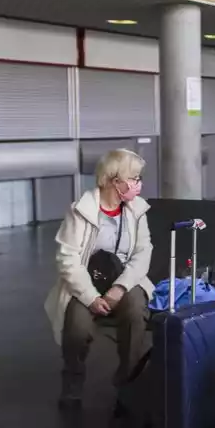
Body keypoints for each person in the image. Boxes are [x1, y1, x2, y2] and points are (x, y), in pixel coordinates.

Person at [46, 149, 153, 411]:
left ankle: (128, 381)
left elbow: (143, 253)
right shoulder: (80, 211)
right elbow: (67, 259)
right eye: (133, 177)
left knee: (135, 311)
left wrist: (119, 287)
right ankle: (73, 379)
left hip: (124, 279)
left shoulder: (138, 211)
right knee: (77, 326)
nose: (138, 184)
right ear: (113, 180)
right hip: (86, 283)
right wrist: (90, 297)